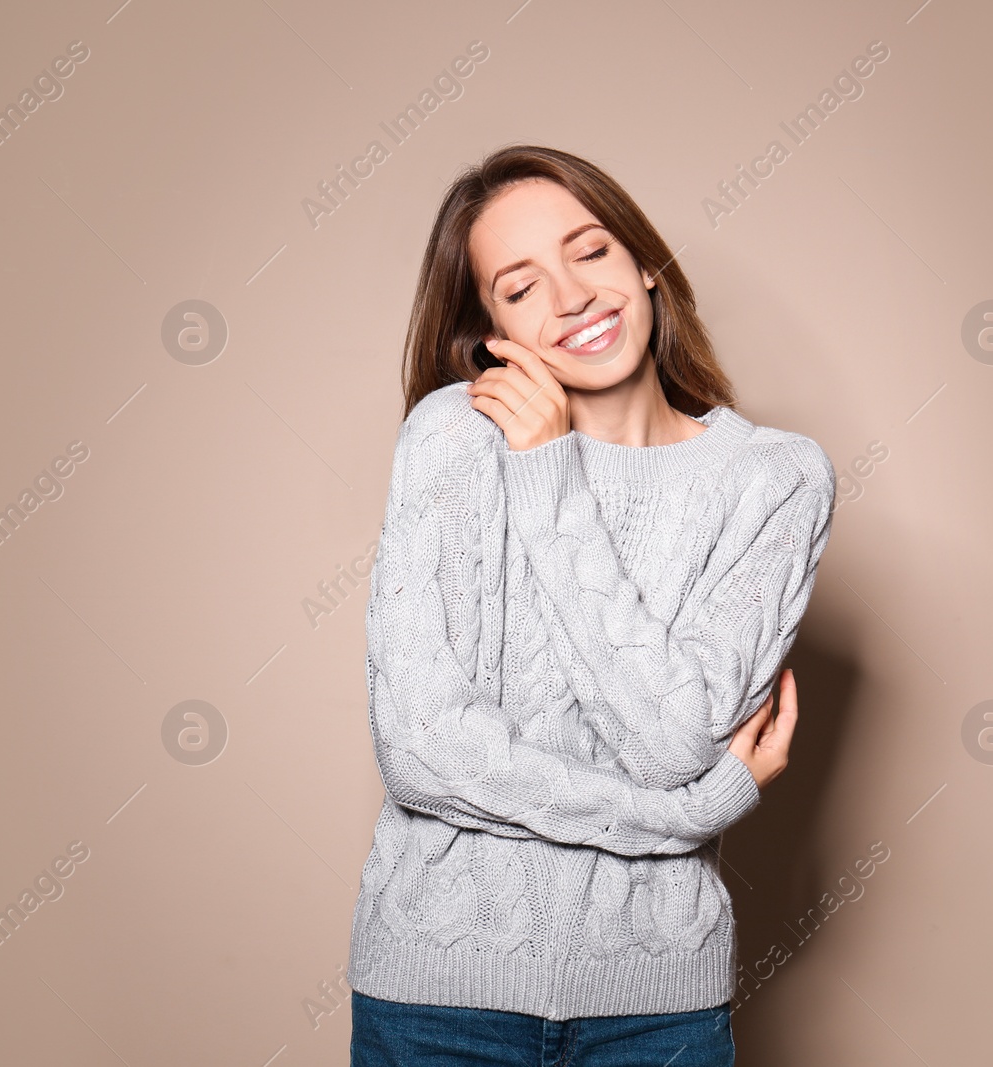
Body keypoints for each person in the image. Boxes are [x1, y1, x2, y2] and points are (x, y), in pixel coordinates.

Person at [346, 144, 838, 1066]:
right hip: (435, 1000)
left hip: (658, 1010)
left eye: (592, 251)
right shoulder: (452, 439)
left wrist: (549, 474)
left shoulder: (773, 480)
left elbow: (671, 740)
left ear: (646, 266)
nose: (572, 297)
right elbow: (421, 752)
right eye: (521, 286)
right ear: (490, 328)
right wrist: (695, 813)